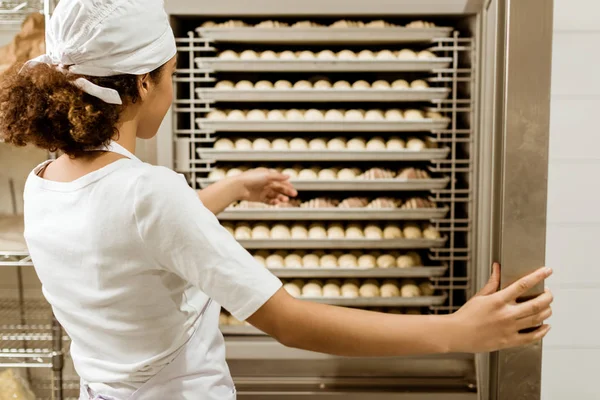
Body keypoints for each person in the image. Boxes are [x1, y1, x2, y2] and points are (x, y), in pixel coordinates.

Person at [0, 1, 553, 399]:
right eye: (171, 75)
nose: (174, 89)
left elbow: (126, 236)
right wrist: (458, 331)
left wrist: (233, 188)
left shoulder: (45, 181)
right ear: (144, 84)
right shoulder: (152, 191)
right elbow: (290, 322)